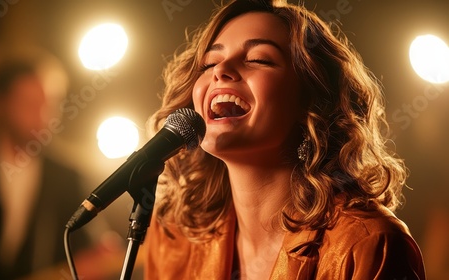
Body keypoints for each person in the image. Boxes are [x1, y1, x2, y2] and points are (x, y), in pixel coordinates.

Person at [143, 0, 426, 279]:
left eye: (258, 59)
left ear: (310, 101)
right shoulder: (173, 238)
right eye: (209, 62)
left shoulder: (368, 245)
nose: (221, 70)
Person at [0, 50, 97, 279]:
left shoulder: (67, 177)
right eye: (29, 103)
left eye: (51, 104)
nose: (44, 115)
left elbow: (88, 249)